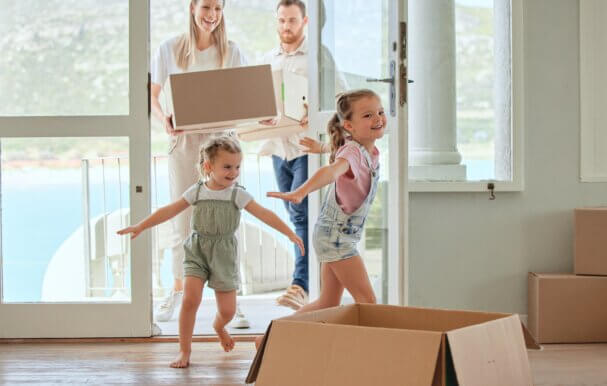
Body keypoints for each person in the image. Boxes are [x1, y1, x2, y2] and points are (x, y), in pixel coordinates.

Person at [118, 136, 304, 368]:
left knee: (227, 310)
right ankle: (184, 351)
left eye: (237, 166)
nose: (233, 172)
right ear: (208, 167)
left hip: (224, 254)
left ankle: (219, 326)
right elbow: (169, 210)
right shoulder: (196, 191)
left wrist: (289, 232)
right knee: (189, 299)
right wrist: (141, 225)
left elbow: (265, 214)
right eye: (227, 167)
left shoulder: (237, 194)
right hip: (197, 250)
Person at [150, 0, 248, 323]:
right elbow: (153, 93)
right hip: (186, 141)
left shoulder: (231, 52)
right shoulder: (170, 49)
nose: (212, 15)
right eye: (207, 7)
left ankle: (232, 297)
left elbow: (247, 93)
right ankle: (178, 291)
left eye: (218, 9)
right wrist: (164, 118)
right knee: (182, 220)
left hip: (222, 143)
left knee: (226, 219)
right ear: (192, 7)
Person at [258, 0, 346, 310]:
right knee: (296, 216)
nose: (286, 27)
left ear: (305, 22)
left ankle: (301, 285)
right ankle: (308, 283)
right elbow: (263, 103)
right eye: (282, 20)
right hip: (278, 147)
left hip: (306, 147)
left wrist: (317, 117)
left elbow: (341, 99)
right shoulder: (268, 59)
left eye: (292, 21)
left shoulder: (318, 57)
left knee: (303, 214)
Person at [268, 89, 384, 316]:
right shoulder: (352, 151)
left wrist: (321, 147)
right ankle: (370, 350)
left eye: (379, 112)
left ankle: (270, 336)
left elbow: (341, 150)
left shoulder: (368, 150)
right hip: (336, 238)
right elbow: (332, 170)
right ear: (349, 126)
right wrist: (301, 191)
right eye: (368, 115)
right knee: (367, 300)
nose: (378, 118)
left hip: (334, 235)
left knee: (328, 302)